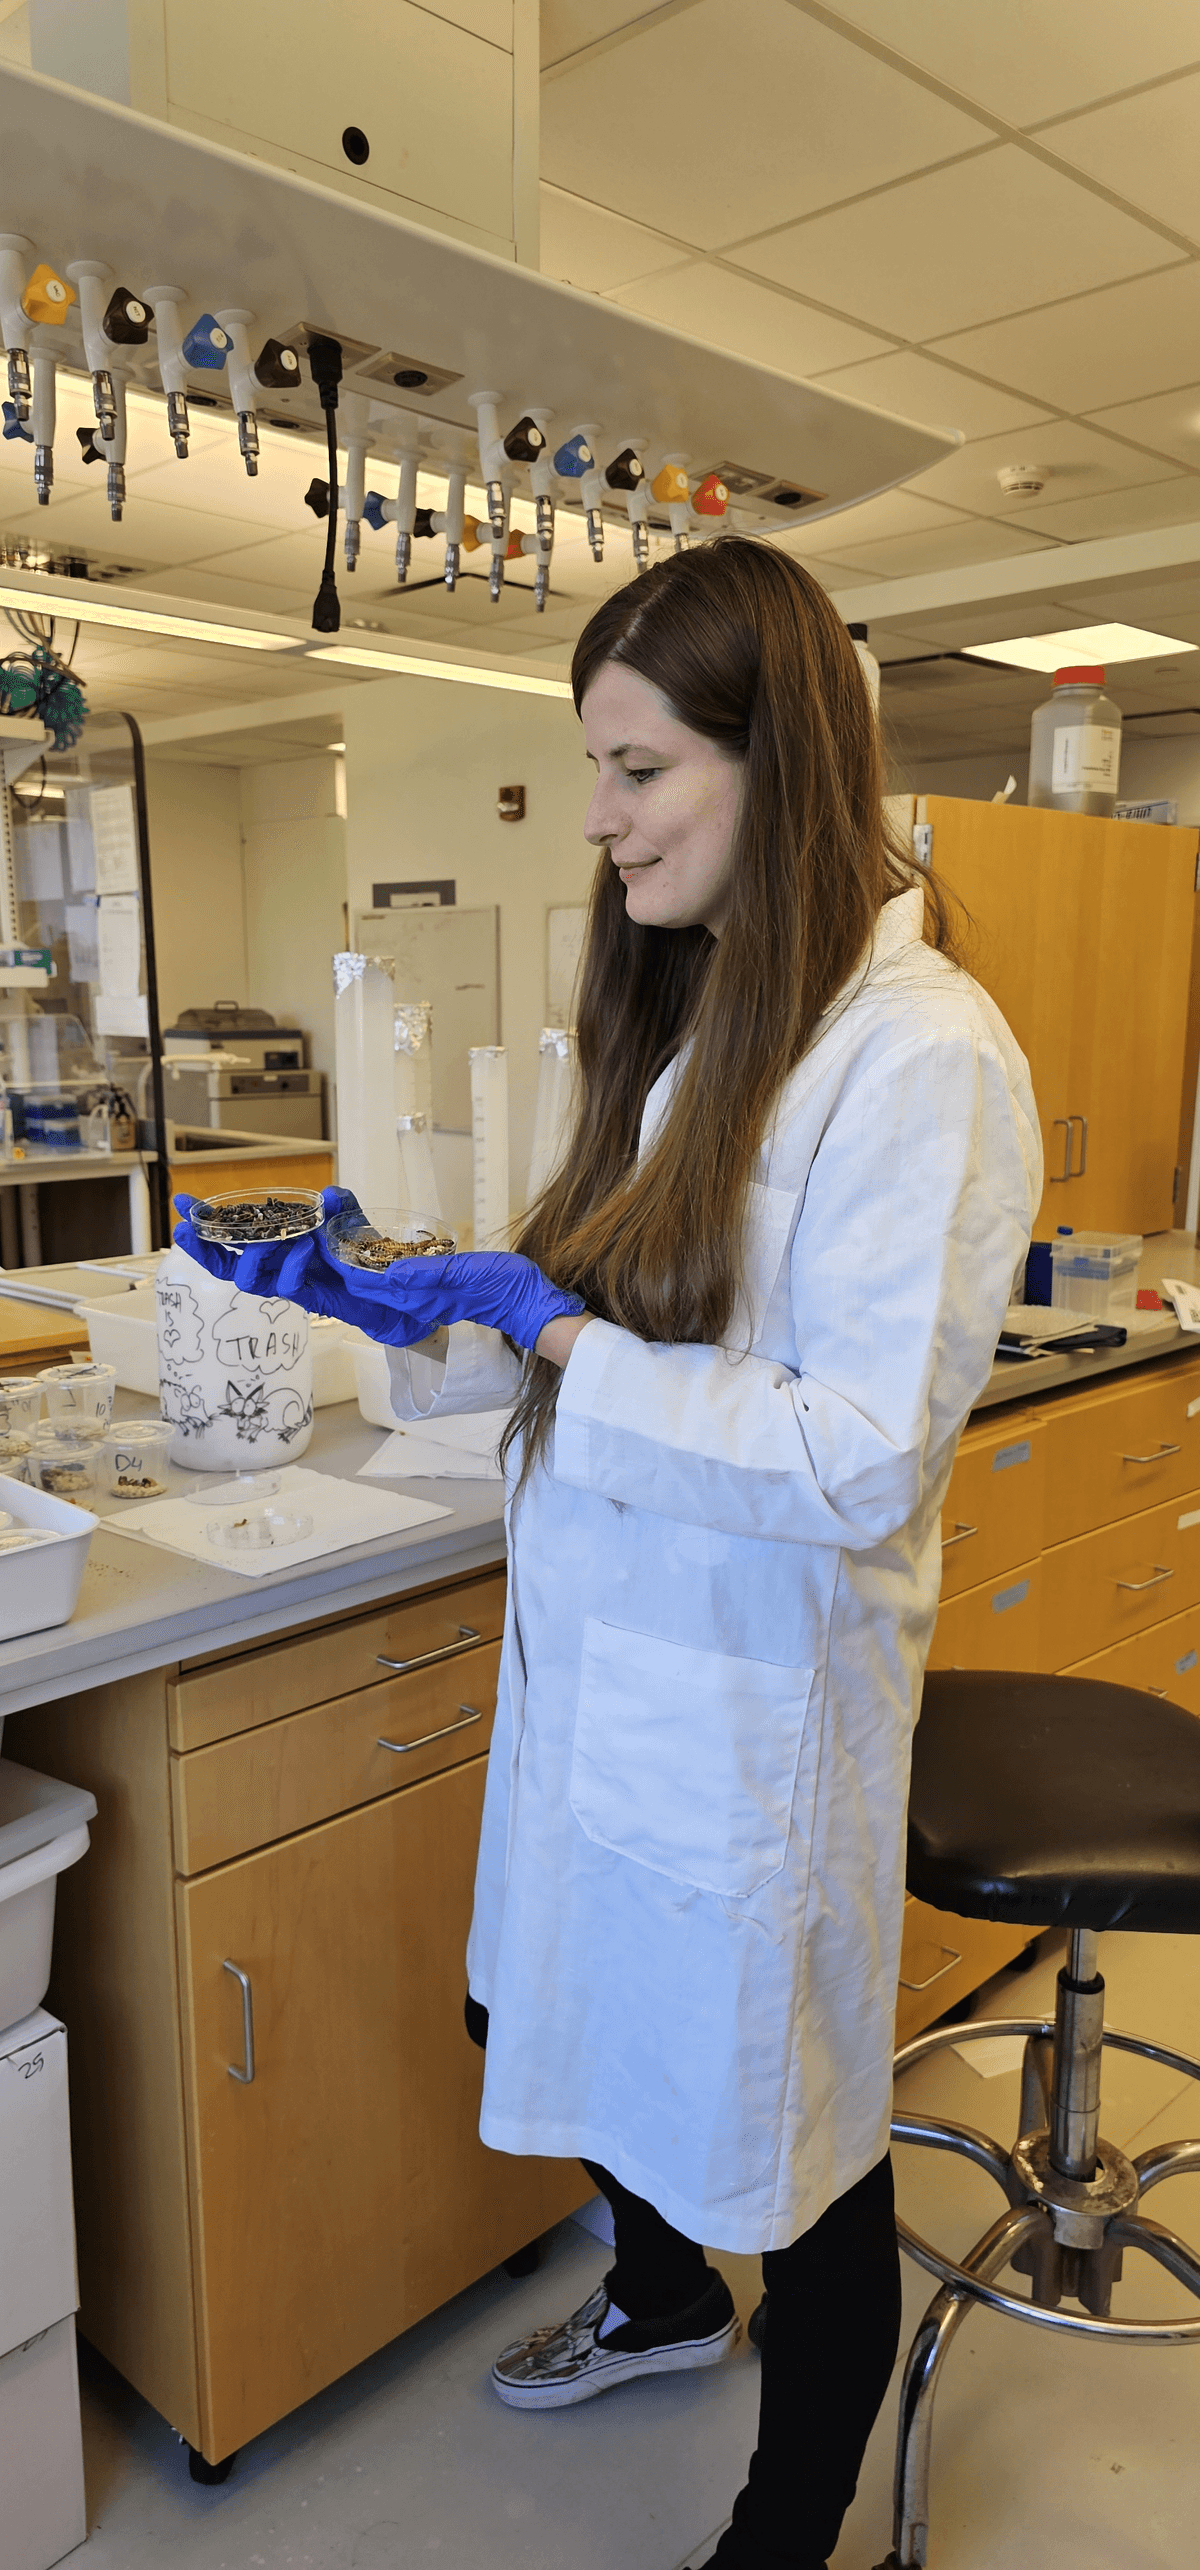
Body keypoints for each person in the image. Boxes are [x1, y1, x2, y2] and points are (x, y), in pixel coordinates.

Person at [176, 536, 1041, 2570]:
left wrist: (556, 1326)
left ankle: (788, 2523)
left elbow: (851, 1451)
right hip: (610, 1669)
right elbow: (638, 1341)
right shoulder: (701, 1015)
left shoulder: (923, 1053)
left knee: (790, 2144)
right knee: (541, 2008)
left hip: (753, 1704)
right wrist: (430, 1317)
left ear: (781, 763)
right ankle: (661, 2301)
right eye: (594, 766)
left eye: (641, 767)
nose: (599, 817)